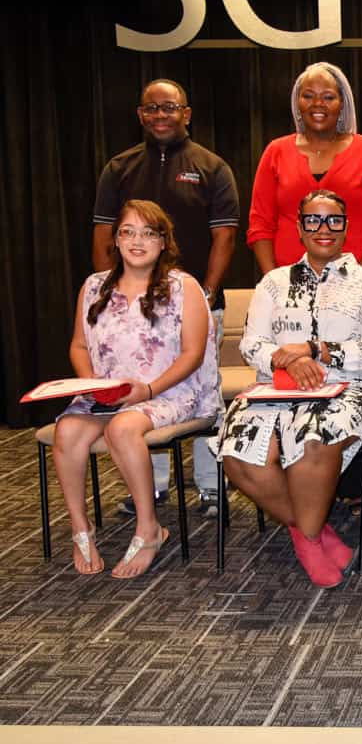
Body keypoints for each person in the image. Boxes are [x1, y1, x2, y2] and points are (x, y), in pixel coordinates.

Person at [215, 190, 362, 588]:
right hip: (276, 387)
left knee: (315, 436)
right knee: (239, 450)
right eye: (313, 220)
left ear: (347, 228)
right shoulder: (273, 283)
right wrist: (290, 360)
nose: (324, 229)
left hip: (352, 386)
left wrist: (319, 352)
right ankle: (311, 533)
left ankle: (307, 538)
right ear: (299, 228)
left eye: (334, 220)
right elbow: (251, 345)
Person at [92, 78, 238, 518]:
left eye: (169, 107)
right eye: (152, 108)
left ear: (186, 114)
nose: (160, 115)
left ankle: (212, 487)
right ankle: (151, 486)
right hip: (133, 308)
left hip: (198, 304)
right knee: (142, 390)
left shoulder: (212, 167)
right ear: (140, 115)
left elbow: (225, 237)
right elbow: (102, 234)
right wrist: (109, 292)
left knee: (204, 392)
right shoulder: (119, 168)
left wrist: (206, 294)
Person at [57, 200, 221, 578]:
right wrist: (91, 384)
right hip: (106, 396)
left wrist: (146, 390)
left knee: (123, 427)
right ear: (115, 239)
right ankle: (80, 528)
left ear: (164, 242)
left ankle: (149, 529)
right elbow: (79, 346)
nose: (137, 240)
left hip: (169, 392)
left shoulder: (184, 287)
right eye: (127, 231)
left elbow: (194, 354)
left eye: (149, 233)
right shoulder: (94, 286)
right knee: (67, 430)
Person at [247, 61, 362, 281]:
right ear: (297, 103)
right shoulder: (275, 151)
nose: (318, 104)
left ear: (342, 104)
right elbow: (260, 224)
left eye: (328, 97)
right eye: (308, 96)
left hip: (354, 281)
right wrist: (274, 281)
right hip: (289, 282)